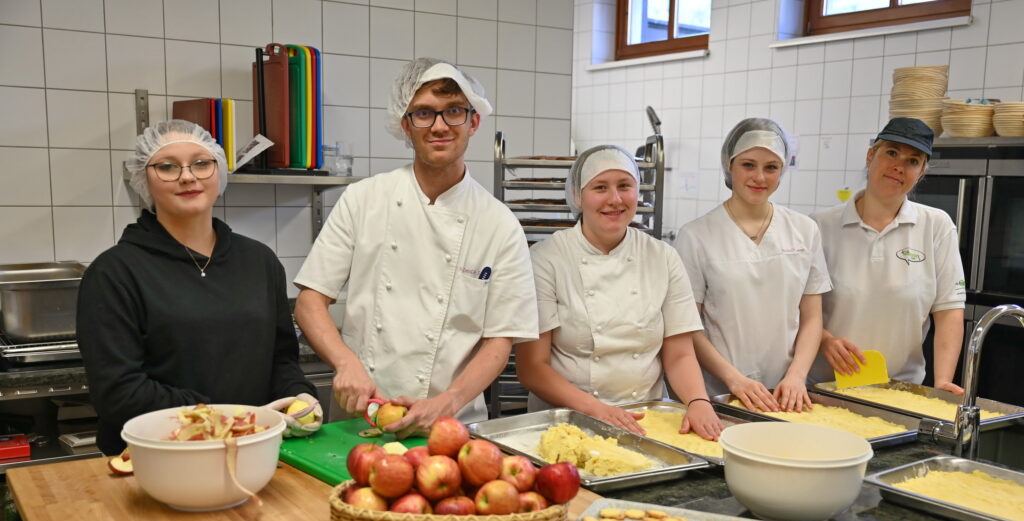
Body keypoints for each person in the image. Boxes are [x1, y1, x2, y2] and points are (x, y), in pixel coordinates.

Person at [293, 57, 538, 436]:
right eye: (423, 113)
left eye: (453, 112)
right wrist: (345, 363)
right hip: (361, 413)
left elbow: (499, 340)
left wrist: (448, 402)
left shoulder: (499, 225)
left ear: (474, 122)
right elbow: (310, 301)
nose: (439, 126)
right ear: (405, 126)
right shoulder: (363, 199)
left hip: (452, 425)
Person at [78, 119, 321, 456]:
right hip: (155, 460)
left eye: (201, 163)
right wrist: (226, 418)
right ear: (143, 179)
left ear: (218, 171)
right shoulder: (114, 273)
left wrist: (299, 394)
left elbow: (281, 359)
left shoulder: (260, 262)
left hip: (252, 451)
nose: (187, 176)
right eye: (167, 167)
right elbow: (119, 394)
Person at [516, 145, 722, 440]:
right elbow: (532, 367)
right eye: (600, 187)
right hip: (565, 422)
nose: (615, 199)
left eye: (625, 186)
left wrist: (698, 402)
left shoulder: (663, 257)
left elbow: (679, 354)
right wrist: (597, 409)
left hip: (645, 419)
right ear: (578, 195)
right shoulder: (547, 258)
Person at [674, 118, 832, 413]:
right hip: (720, 396)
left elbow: (812, 318)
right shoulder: (696, 235)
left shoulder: (805, 230)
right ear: (729, 166)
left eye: (771, 167)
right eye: (748, 165)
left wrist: (796, 376)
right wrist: (734, 380)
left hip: (788, 394)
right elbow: (689, 327)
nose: (760, 177)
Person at [810, 117, 966, 392]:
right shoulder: (819, 226)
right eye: (891, 152)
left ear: (921, 172)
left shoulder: (936, 226)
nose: (899, 166)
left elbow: (949, 310)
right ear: (871, 156)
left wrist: (943, 381)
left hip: (901, 390)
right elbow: (799, 308)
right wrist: (824, 340)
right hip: (824, 387)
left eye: (913, 161)